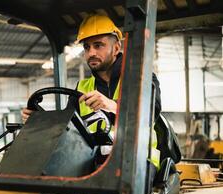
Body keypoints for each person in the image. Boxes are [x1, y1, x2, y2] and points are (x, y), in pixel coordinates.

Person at [22, 14, 161, 168]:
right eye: (87, 47)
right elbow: (67, 129)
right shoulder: (82, 87)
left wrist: (113, 105)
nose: (91, 53)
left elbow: (151, 112)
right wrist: (39, 123)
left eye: (98, 45)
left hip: (138, 163)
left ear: (116, 48)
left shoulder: (141, 78)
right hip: (94, 164)